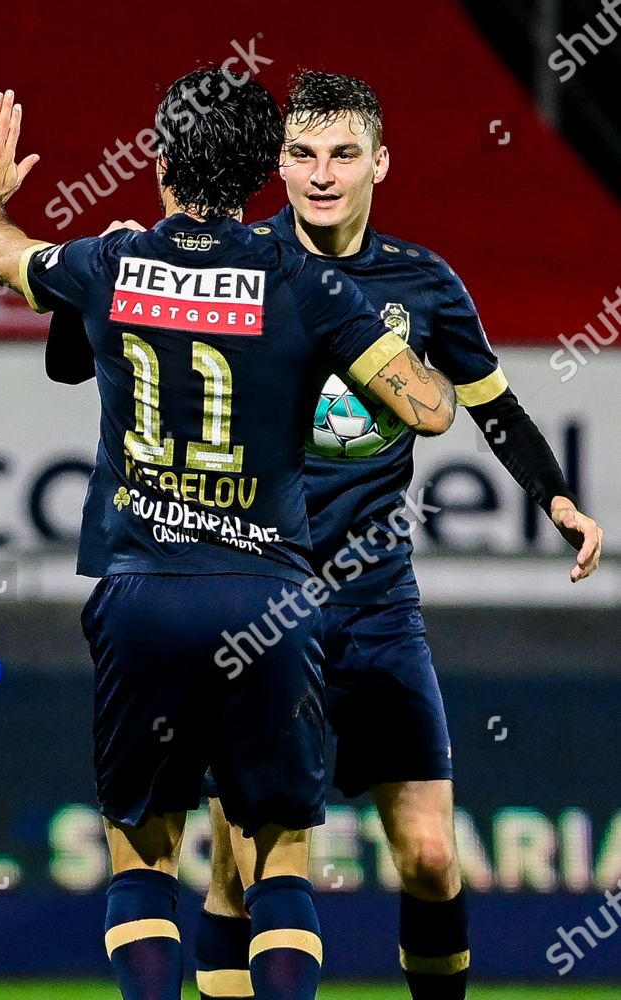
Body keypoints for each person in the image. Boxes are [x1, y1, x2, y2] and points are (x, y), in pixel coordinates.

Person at [0, 81, 456, 1000]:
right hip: (267, 598)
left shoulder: (110, 262)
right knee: (279, 864)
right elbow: (429, 411)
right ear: (265, 167)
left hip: (143, 590)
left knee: (144, 862)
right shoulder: (306, 282)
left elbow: (4, 260)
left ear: (157, 162)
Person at [177, 72, 603, 1000]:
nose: (321, 174)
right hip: (257, 606)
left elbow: (494, 410)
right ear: (276, 165)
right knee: (239, 871)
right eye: (301, 154)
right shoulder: (233, 265)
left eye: (342, 154)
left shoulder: (424, 282)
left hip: (374, 606)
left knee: (430, 854)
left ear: (380, 162)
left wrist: (555, 498)